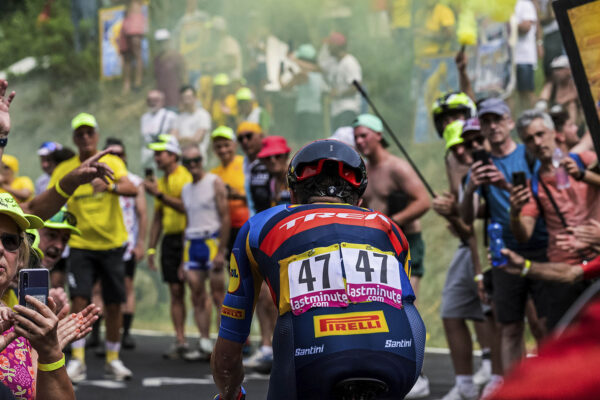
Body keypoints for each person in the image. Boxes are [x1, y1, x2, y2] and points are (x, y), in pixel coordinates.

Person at [211, 139, 425, 399]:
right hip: (400, 356)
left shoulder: (260, 225)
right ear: (359, 200)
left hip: (309, 360)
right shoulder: (388, 226)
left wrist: (230, 394)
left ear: (292, 194)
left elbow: (228, 349)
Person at [459, 98, 549, 373]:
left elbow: (539, 201)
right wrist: (472, 185)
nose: (493, 126)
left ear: (510, 122)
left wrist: (504, 184)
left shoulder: (528, 155)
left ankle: (553, 384)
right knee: (509, 327)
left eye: (498, 119)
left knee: (544, 324)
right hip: (504, 253)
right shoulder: (477, 168)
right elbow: (466, 217)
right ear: (482, 128)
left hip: (541, 246)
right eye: (486, 121)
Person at [48, 113, 138, 382]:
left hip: (112, 243)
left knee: (113, 304)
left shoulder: (111, 161)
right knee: (78, 300)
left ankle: (113, 359)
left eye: (89, 132)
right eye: (80, 134)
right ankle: (78, 360)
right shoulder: (65, 167)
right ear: (74, 138)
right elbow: (50, 199)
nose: (85, 137)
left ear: (97, 135)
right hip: (80, 244)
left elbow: (132, 188)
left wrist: (109, 186)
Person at [353, 113, 431, 398]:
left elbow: (424, 201)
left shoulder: (396, 167)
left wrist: (391, 222)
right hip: (378, 248)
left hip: (406, 243)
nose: (360, 141)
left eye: (364, 135)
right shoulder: (363, 170)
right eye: (357, 136)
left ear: (378, 135)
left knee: (407, 307)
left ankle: (418, 375)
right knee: (380, 309)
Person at [509, 110, 599, 329]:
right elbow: (524, 234)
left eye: (541, 134)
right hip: (564, 265)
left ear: (554, 134)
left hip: (596, 258)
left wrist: (582, 174)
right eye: (529, 139)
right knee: (562, 338)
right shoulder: (534, 186)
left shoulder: (584, 160)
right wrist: (514, 213)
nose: (538, 142)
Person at [435, 120, 501, 400]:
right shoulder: (462, 173)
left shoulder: (493, 165)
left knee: (501, 318)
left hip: (495, 248)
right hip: (473, 249)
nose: (464, 151)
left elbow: (474, 222)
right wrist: (452, 213)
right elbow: (466, 226)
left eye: (471, 143)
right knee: (453, 309)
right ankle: (466, 385)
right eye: (457, 147)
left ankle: (500, 377)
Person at [0, 193, 75, 400]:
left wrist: (50, 352)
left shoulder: (19, 326)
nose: (0, 248)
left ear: (20, 259)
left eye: (10, 241)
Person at [176, 145, 229, 361]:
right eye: (188, 161)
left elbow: (225, 217)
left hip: (211, 241)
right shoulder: (186, 189)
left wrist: (221, 250)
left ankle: (224, 345)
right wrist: (182, 259)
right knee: (197, 296)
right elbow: (187, 221)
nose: (193, 164)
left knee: (219, 296)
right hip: (192, 243)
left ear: (202, 159)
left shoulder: (214, 182)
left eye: (196, 159)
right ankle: (205, 342)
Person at [143, 134, 192, 359]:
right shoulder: (161, 181)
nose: (156, 157)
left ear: (173, 155)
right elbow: (158, 218)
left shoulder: (185, 177)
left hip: (189, 236)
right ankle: (180, 339)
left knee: (197, 289)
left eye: (160, 153)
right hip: (170, 240)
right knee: (175, 290)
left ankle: (204, 339)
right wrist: (151, 248)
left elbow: (187, 208)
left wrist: (159, 195)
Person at [235, 122, 278, 370]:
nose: (245, 141)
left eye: (249, 136)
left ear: (261, 136)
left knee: (269, 295)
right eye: (241, 138)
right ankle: (265, 346)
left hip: (273, 232)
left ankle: (273, 346)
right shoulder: (246, 164)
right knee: (260, 295)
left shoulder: (270, 165)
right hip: (256, 231)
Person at [104, 138, 147, 350]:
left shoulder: (135, 181)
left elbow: (142, 213)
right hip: (103, 242)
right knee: (99, 289)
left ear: (125, 156)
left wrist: (141, 243)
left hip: (127, 242)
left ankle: (126, 332)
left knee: (126, 287)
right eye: (110, 154)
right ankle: (96, 333)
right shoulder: (97, 179)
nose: (115, 158)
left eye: (119, 154)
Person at [210, 126, 250, 256]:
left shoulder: (246, 165)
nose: (223, 150)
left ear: (235, 145)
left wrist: (236, 195)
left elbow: (259, 196)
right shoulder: (214, 173)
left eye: (226, 145)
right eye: (218, 146)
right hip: (224, 229)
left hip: (247, 225)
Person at [280, 44, 328, 141]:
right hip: (317, 114)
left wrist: (279, 75)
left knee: (304, 144)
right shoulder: (319, 75)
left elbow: (285, 88)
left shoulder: (302, 75)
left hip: (304, 115)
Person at [320, 32, 363, 131]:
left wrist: (338, 94)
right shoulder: (334, 62)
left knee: (343, 143)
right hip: (336, 110)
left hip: (348, 109)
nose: (328, 48)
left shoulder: (350, 62)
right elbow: (319, 68)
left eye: (330, 45)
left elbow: (357, 86)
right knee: (337, 142)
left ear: (337, 46)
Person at [140, 90, 178, 171]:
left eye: (155, 100)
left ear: (162, 101)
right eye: (150, 100)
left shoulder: (170, 116)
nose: (152, 103)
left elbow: (173, 138)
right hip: (146, 156)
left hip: (162, 156)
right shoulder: (144, 118)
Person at [513, 0, 540, 110]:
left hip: (524, 57)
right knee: (510, 94)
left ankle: (537, 118)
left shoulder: (524, 4)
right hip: (508, 60)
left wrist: (508, 23)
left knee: (527, 93)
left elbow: (526, 27)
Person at [173, 85, 212, 158]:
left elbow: (198, 139)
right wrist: (190, 138)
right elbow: (172, 138)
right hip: (181, 159)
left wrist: (180, 139)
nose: (186, 101)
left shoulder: (203, 115)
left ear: (195, 98)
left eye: (188, 97)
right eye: (183, 98)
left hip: (198, 158)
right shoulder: (178, 117)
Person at [153, 29, 186, 110]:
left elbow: (184, 78)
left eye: (164, 41)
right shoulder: (157, 59)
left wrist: (182, 99)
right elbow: (156, 80)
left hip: (175, 101)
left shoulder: (177, 57)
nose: (162, 44)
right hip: (161, 103)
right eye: (159, 42)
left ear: (169, 41)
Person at [119, 0, 146, 94]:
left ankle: (138, 83)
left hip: (135, 18)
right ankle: (126, 85)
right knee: (126, 55)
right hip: (126, 19)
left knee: (137, 53)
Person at [258, 136, 292, 206]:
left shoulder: (295, 178)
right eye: (268, 157)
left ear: (286, 156)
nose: (272, 160)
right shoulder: (271, 182)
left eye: (277, 156)